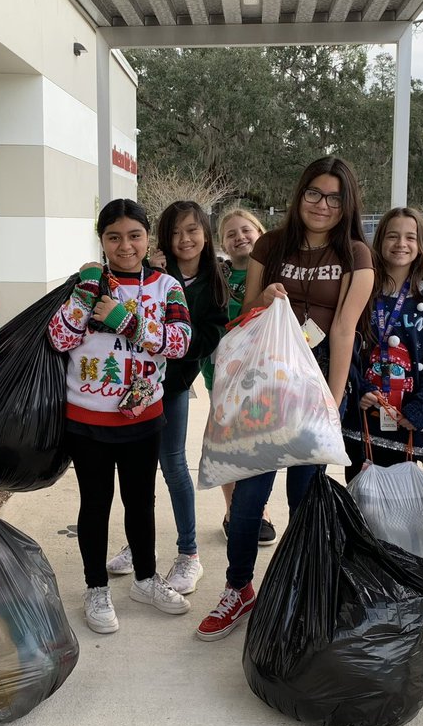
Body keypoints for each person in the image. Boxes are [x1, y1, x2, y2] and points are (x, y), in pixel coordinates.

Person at [196, 156, 374, 642]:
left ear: (347, 204)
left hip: (311, 394)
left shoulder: (357, 255)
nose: (323, 204)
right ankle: (238, 588)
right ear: (300, 195)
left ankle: (298, 588)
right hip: (264, 392)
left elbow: (343, 330)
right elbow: (245, 316)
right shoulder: (271, 245)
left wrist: (332, 401)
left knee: (304, 498)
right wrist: (265, 298)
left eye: (334, 197)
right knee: (249, 497)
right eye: (314, 193)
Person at [48, 198, 193, 634]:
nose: (125, 245)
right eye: (114, 237)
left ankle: (146, 580)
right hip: (88, 417)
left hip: (143, 416)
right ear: (102, 240)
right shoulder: (84, 282)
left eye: (134, 235)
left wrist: (127, 322)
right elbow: (58, 338)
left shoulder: (166, 286)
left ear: (148, 238)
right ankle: (96, 588)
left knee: (140, 501)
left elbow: (181, 341)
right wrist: (82, 294)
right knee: (95, 503)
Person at [105, 200, 228, 595]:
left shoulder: (215, 279)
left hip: (171, 386)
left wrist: (173, 344)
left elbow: (209, 335)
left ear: (205, 234)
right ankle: (138, 544)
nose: (184, 239)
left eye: (192, 230)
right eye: (175, 232)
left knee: (173, 465)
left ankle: (189, 554)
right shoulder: (156, 273)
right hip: (133, 386)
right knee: (137, 471)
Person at [344, 206, 423, 473]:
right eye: (392, 236)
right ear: (379, 242)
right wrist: (361, 388)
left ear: (422, 245)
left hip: (407, 421)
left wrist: (422, 406)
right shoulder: (363, 291)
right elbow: (348, 346)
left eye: (410, 237)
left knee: (403, 506)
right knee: (361, 502)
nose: (401, 244)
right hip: (364, 419)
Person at [205, 208, 277, 546]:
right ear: (222, 243)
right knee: (227, 444)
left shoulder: (275, 273)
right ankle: (234, 510)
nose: (240, 237)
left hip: (263, 372)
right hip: (223, 373)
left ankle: (258, 510)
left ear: (261, 233)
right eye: (231, 234)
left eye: (246, 230)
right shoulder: (216, 276)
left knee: (259, 442)